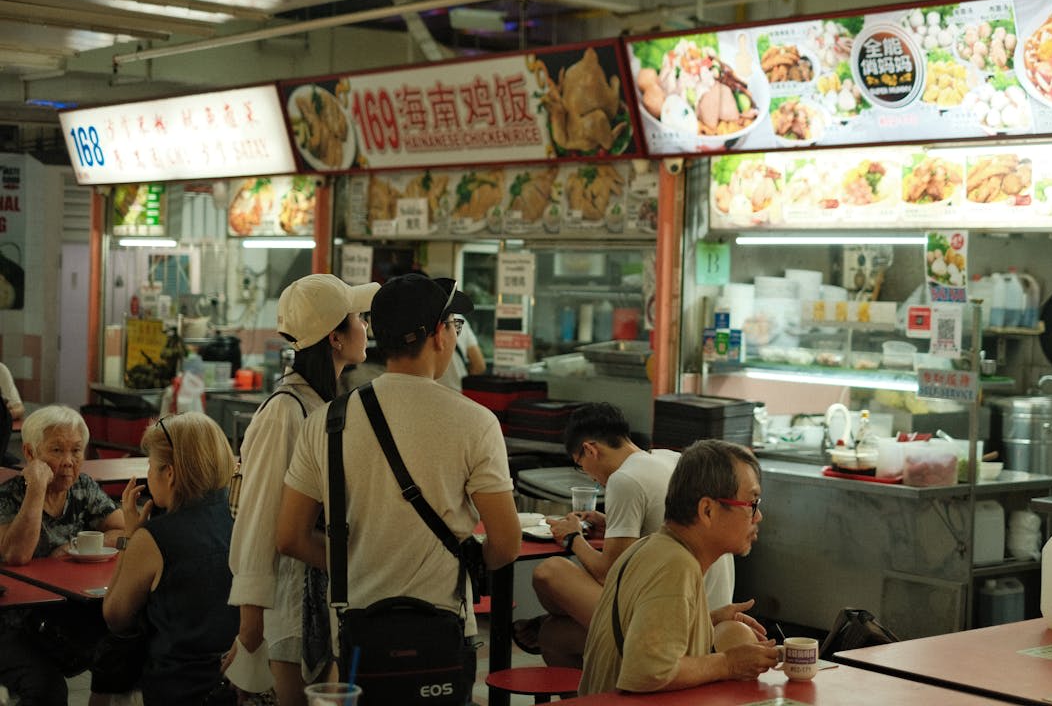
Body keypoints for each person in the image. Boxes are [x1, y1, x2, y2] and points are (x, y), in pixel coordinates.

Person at [276, 274, 522, 672]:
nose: (455, 336)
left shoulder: (326, 420)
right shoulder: (476, 423)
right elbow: (507, 543)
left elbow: (289, 537)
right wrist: (468, 562)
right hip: (441, 627)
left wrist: (353, 562)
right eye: (455, 326)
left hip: (356, 631)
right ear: (438, 335)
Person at [227, 273, 378, 705]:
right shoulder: (285, 411)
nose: (365, 326)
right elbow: (258, 516)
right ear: (334, 337)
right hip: (288, 607)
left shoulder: (320, 401)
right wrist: (250, 621)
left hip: (317, 602)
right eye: (357, 318)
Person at [517, 403, 738, 668]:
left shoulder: (625, 479)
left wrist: (572, 538)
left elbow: (608, 573)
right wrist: (611, 524)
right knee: (552, 632)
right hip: (711, 608)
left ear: (590, 450)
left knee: (549, 573)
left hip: (675, 619)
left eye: (580, 465)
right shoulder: (669, 458)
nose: (589, 476)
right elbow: (664, 531)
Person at [578, 439, 777, 695]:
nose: (758, 516)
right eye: (752, 504)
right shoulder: (675, 565)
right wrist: (730, 663)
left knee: (736, 634)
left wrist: (705, 619)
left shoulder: (652, 547)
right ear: (707, 510)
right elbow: (646, 672)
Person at [102, 412, 239, 705]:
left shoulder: (155, 538)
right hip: (234, 683)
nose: (148, 475)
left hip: (177, 688)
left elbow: (115, 616)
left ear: (170, 473)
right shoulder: (239, 519)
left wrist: (130, 535)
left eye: (150, 466)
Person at [0, 405, 125, 705]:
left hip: (65, 615)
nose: (69, 462)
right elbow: (15, 555)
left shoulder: (83, 488)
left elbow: (126, 532)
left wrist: (71, 548)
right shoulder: (9, 495)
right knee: (48, 690)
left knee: (125, 649)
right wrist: (36, 490)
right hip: (12, 622)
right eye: (57, 450)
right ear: (30, 454)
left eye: (77, 450)